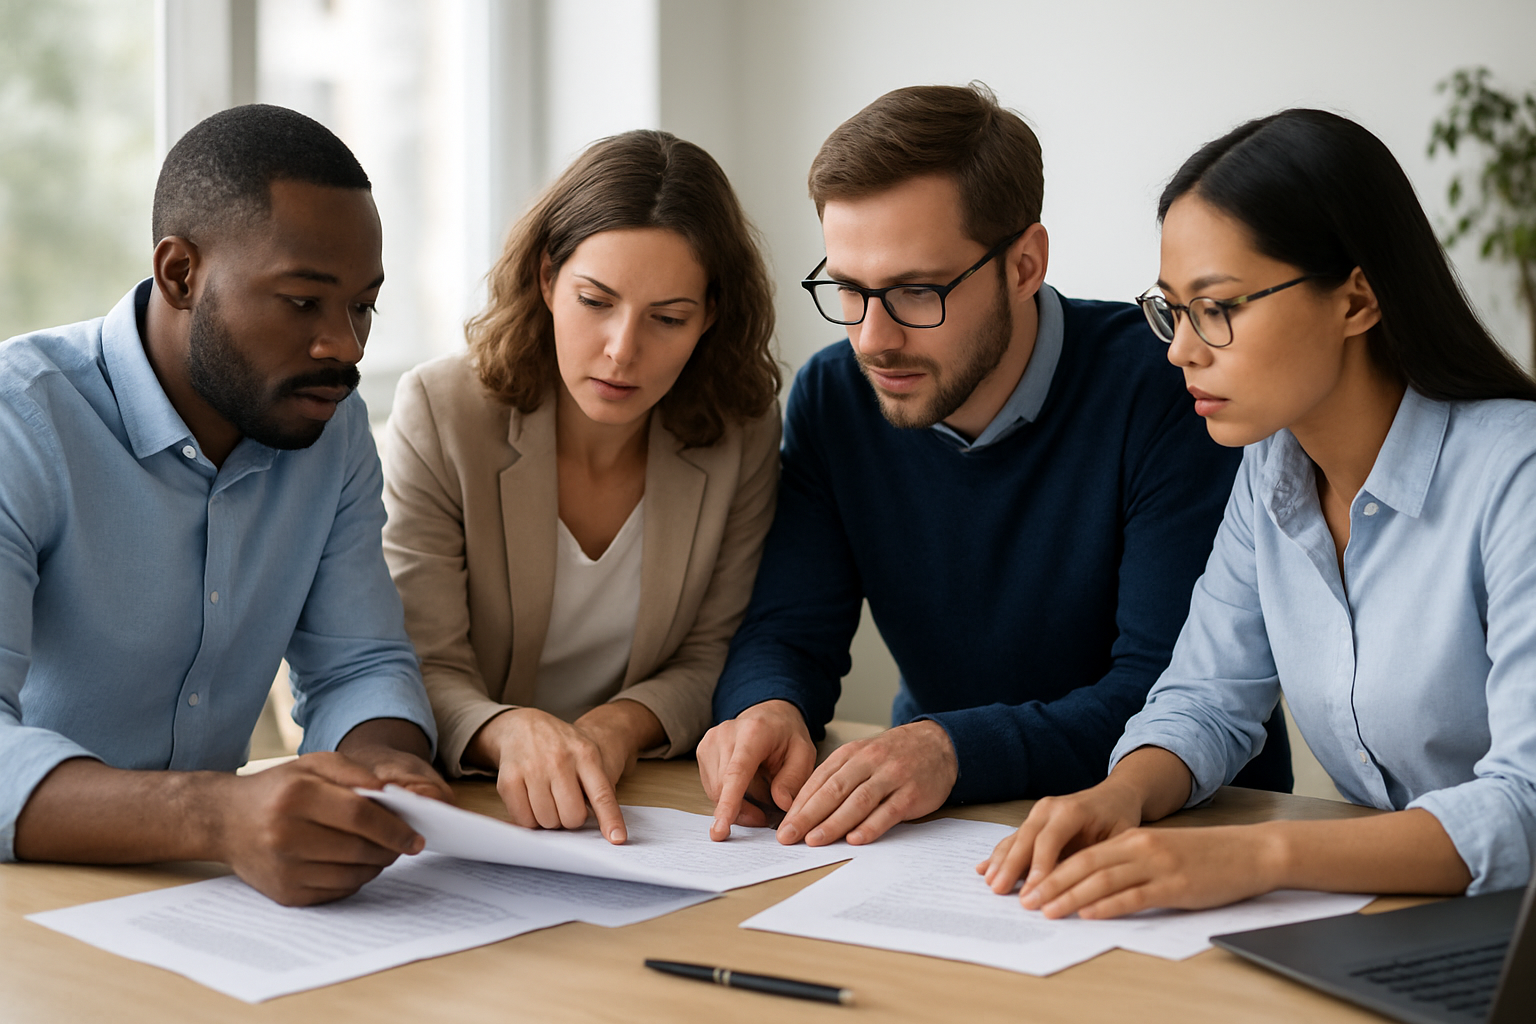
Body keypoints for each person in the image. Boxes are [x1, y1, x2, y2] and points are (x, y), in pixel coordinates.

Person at [700, 83, 1292, 848]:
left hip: (1185, 827)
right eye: (849, 290)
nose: (873, 338)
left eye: (916, 291)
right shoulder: (834, 398)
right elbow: (787, 631)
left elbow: (1168, 692)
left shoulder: (1169, 386)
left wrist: (951, 750)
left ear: (1024, 264)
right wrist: (766, 708)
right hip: (943, 824)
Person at [980, 108, 1536, 919]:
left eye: (1219, 306)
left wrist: (1258, 854)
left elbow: (1525, 804)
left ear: (1357, 299)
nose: (1180, 350)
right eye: (1172, 309)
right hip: (1402, 919)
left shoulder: (1516, 473)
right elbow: (1207, 697)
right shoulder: (1272, 470)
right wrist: (1120, 795)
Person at [0, 105, 451, 907]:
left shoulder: (331, 425)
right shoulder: (20, 422)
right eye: (303, 302)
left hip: (213, 904)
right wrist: (214, 817)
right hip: (31, 901)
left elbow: (360, 665)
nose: (345, 346)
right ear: (181, 274)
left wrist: (384, 764)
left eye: (363, 306)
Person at [381, 130, 780, 845]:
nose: (623, 349)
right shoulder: (441, 413)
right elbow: (416, 661)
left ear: (710, 316)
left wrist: (616, 727)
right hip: (480, 806)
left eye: (668, 318)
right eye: (596, 300)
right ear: (545, 279)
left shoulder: (740, 432)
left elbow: (713, 653)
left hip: (652, 802)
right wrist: (505, 731)